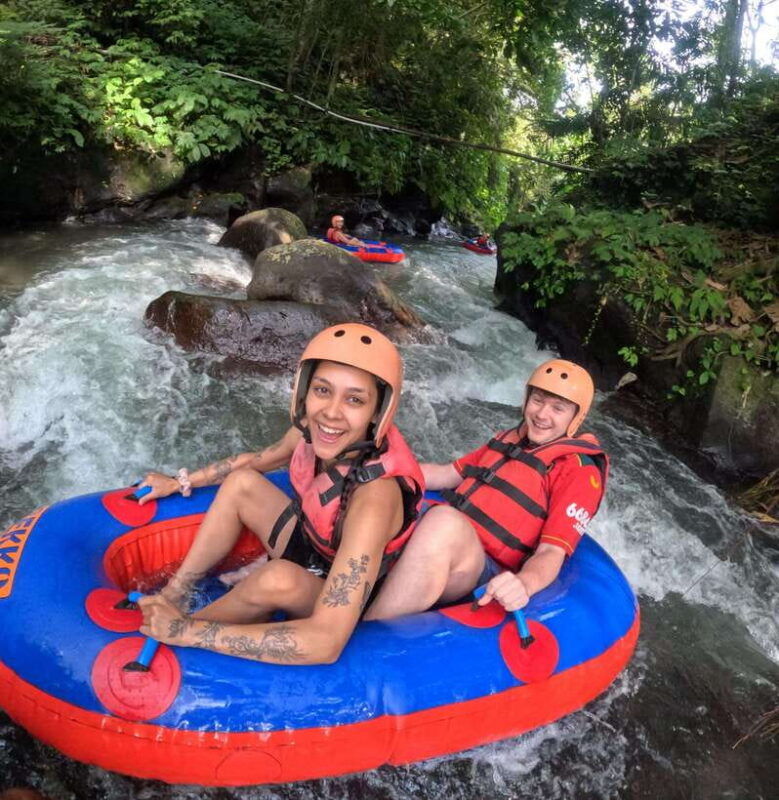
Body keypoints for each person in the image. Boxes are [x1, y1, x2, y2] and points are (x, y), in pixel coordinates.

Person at [136, 323, 424, 664]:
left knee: (277, 578)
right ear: (305, 391)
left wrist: (186, 632)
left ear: (378, 411)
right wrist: (181, 481)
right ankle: (177, 592)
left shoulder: (375, 498)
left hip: (344, 593)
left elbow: (326, 642)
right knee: (242, 482)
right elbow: (257, 460)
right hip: (314, 543)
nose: (331, 412)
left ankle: (184, 630)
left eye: (354, 400)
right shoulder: (315, 430)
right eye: (322, 390)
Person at [364, 359, 608, 619]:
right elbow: (448, 473)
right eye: (537, 400)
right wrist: (379, 469)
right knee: (384, 492)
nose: (542, 414)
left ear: (576, 417)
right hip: (445, 538)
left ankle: (364, 637)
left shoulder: (579, 471)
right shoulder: (509, 439)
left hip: (482, 571)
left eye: (558, 408)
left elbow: (551, 552)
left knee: (443, 522)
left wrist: (524, 583)